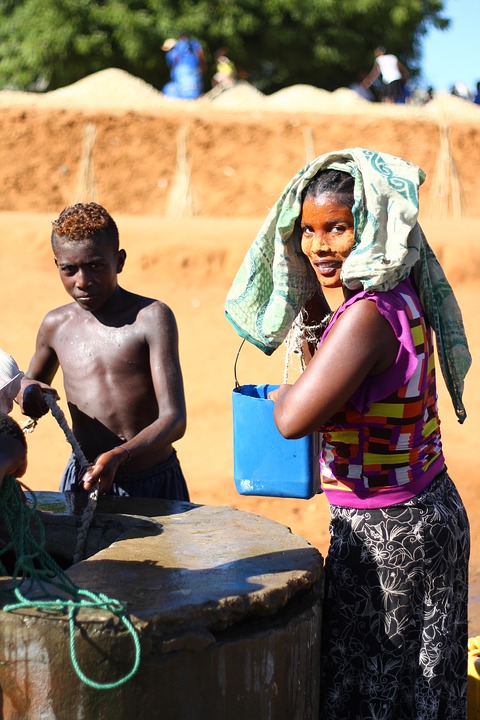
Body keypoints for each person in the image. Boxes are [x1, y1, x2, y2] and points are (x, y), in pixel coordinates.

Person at [225, 148, 471, 719]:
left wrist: (285, 393)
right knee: (416, 687)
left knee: (379, 690)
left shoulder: (366, 316)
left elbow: (292, 418)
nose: (320, 246)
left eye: (337, 227)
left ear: (371, 228)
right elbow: (327, 375)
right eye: (308, 232)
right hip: (420, 512)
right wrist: (311, 296)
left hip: (394, 535)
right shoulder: (390, 296)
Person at [17, 202, 188, 500]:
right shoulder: (56, 325)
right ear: (56, 265)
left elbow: (174, 419)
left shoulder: (151, 317)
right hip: (85, 480)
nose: (83, 282)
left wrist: (122, 454)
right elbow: (28, 385)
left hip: (152, 483)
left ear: (119, 261)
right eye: (69, 269)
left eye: (96, 266)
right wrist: (29, 394)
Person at [161, 33, 206, 100]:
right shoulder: (193, 44)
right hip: (193, 69)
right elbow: (200, 53)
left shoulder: (173, 52)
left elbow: (173, 62)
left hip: (181, 71)